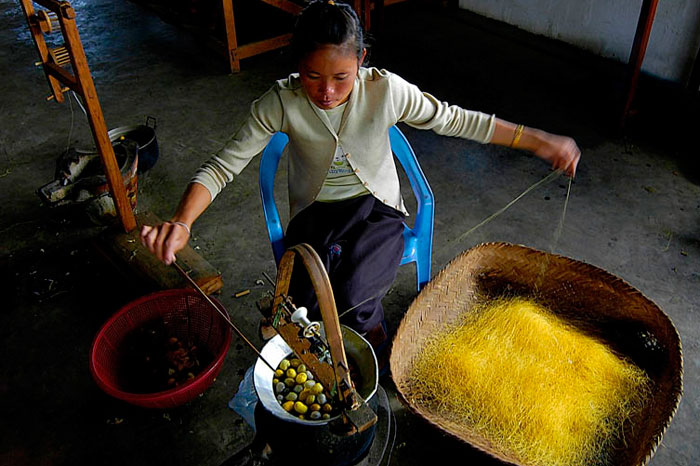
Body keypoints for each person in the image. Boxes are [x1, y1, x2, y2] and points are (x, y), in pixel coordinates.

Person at [140, 0, 580, 359]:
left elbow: (456, 120)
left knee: (355, 292)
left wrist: (537, 140)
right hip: (315, 215)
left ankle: (375, 345)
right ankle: (338, 353)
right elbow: (222, 166)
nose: (327, 92)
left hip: (378, 213)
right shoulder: (280, 101)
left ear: (361, 61)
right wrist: (182, 223)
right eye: (313, 77)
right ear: (298, 66)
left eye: (341, 77)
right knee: (306, 302)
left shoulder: (386, 91)